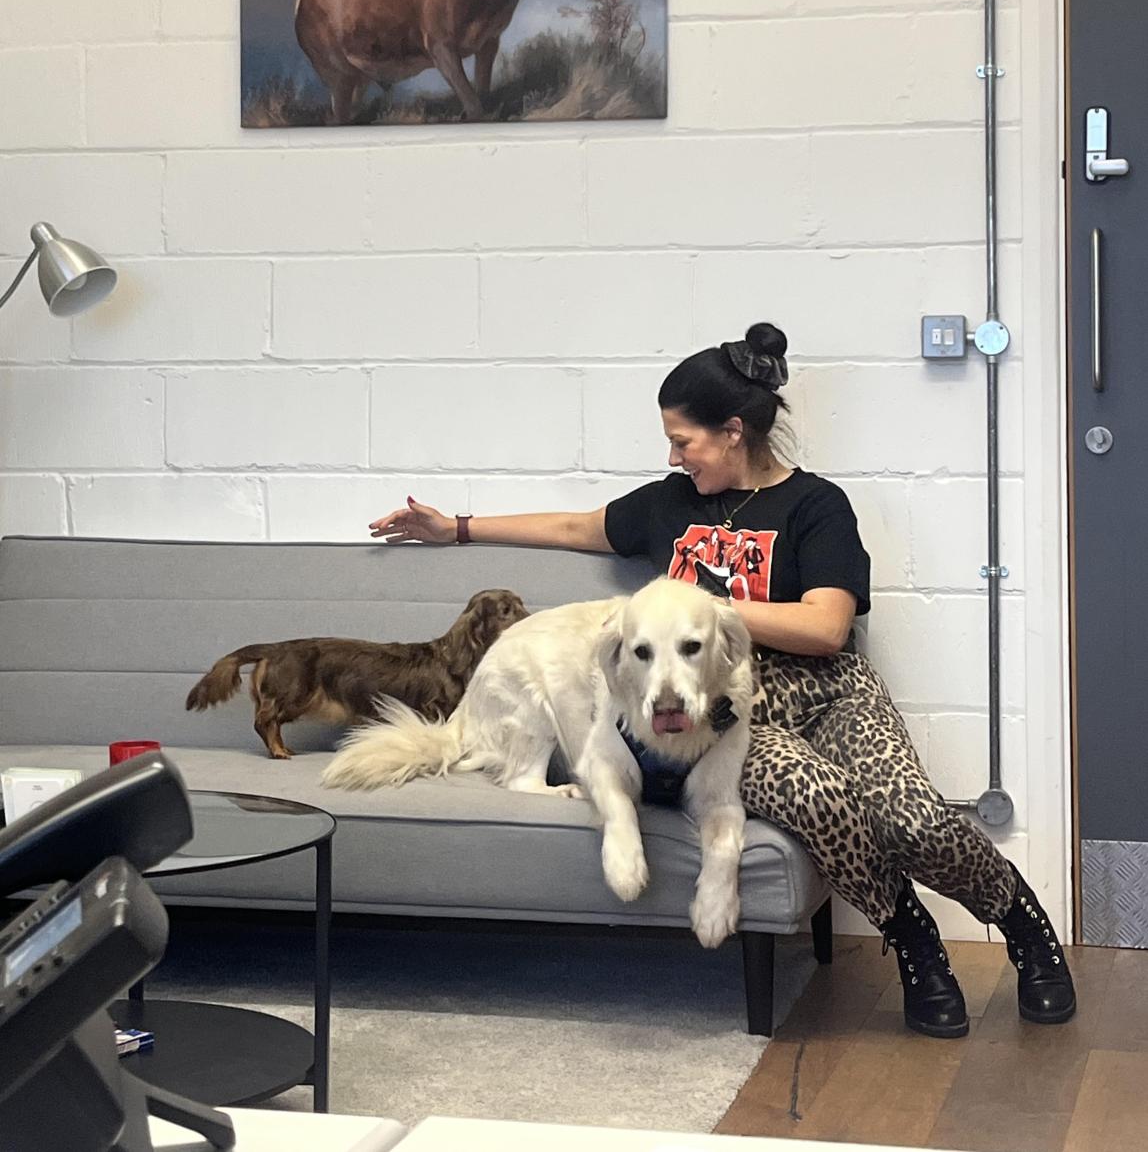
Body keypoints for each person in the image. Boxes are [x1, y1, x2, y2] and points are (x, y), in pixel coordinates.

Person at [370, 322, 1075, 1039]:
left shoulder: (814, 504)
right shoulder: (670, 504)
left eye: (684, 440)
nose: (673, 455)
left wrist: (708, 606)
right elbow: (577, 526)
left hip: (832, 690)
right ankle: (917, 944)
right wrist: (453, 526)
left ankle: (1021, 922)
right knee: (823, 800)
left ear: (733, 430)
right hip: (735, 712)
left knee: (912, 817)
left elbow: (828, 625)